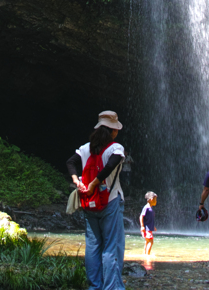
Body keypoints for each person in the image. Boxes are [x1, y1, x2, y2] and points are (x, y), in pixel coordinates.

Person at [67, 111, 126, 290]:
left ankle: (95, 286)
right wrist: (95, 183)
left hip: (89, 203)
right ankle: (112, 287)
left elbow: (70, 162)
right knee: (111, 246)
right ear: (114, 131)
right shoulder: (116, 148)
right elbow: (111, 164)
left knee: (92, 246)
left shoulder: (85, 148)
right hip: (110, 201)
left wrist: (78, 182)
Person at [141, 191, 157, 256]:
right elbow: (141, 216)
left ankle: (145, 254)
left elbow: (150, 219)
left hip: (149, 228)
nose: (156, 201)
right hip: (146, 228)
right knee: (151, 241)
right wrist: (142, 226)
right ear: (151, 199)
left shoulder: (150, 208)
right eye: (155, 199)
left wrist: (153, 226)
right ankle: (148, 255)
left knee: (147, 241)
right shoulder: (146, 207)